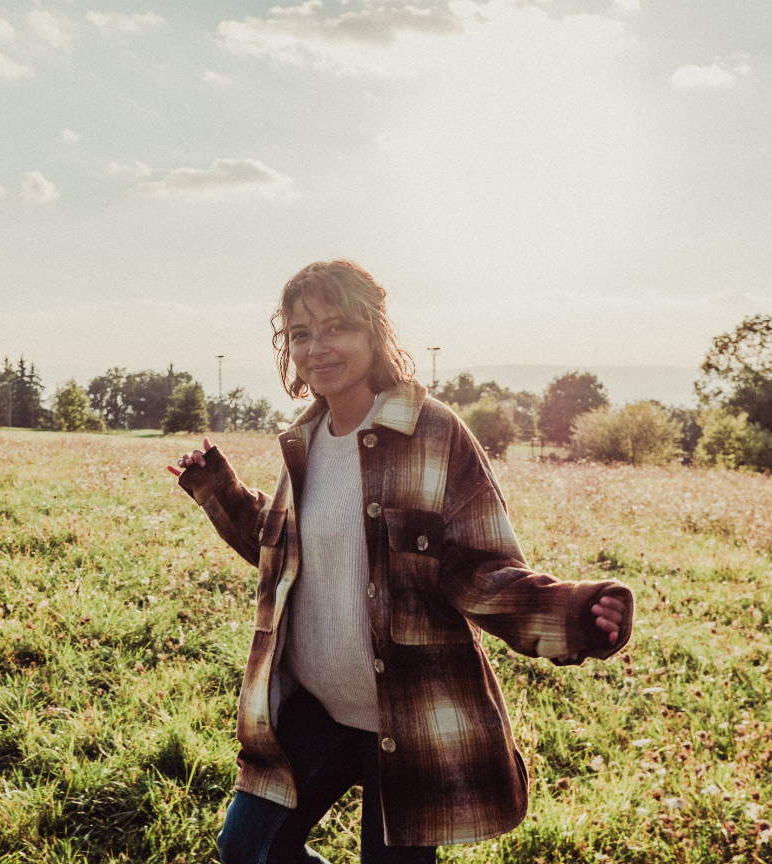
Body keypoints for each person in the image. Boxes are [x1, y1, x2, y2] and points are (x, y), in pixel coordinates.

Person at [167, 260, 632, 864]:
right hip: (316, 706)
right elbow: (282, 547)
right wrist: (220, 492)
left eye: (336, 327)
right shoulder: (304, 440)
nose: (317, 348)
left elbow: (481, 569)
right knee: (246, 850)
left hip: (410, 721)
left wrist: (572, 612)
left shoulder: (435, 434)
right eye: (300, 334)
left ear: (374, 332)